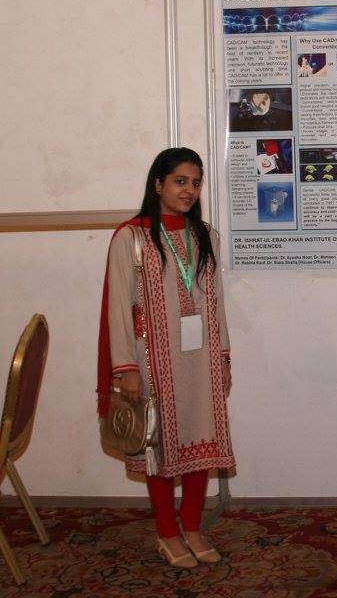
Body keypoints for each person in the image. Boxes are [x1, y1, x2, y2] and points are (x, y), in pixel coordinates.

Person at [97, 148, 235, 569]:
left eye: (195, 182)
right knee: (158, 448)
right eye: (180, 181)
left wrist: (224, 357)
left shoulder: (205, 236)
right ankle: (167, 533)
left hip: (201, 359)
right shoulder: (131, 237)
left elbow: (216, 302)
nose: (189, 190)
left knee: (201, 439)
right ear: (158, 185)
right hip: (152, 361)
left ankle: (191, 527)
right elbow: (118, 307)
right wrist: (125, 369)